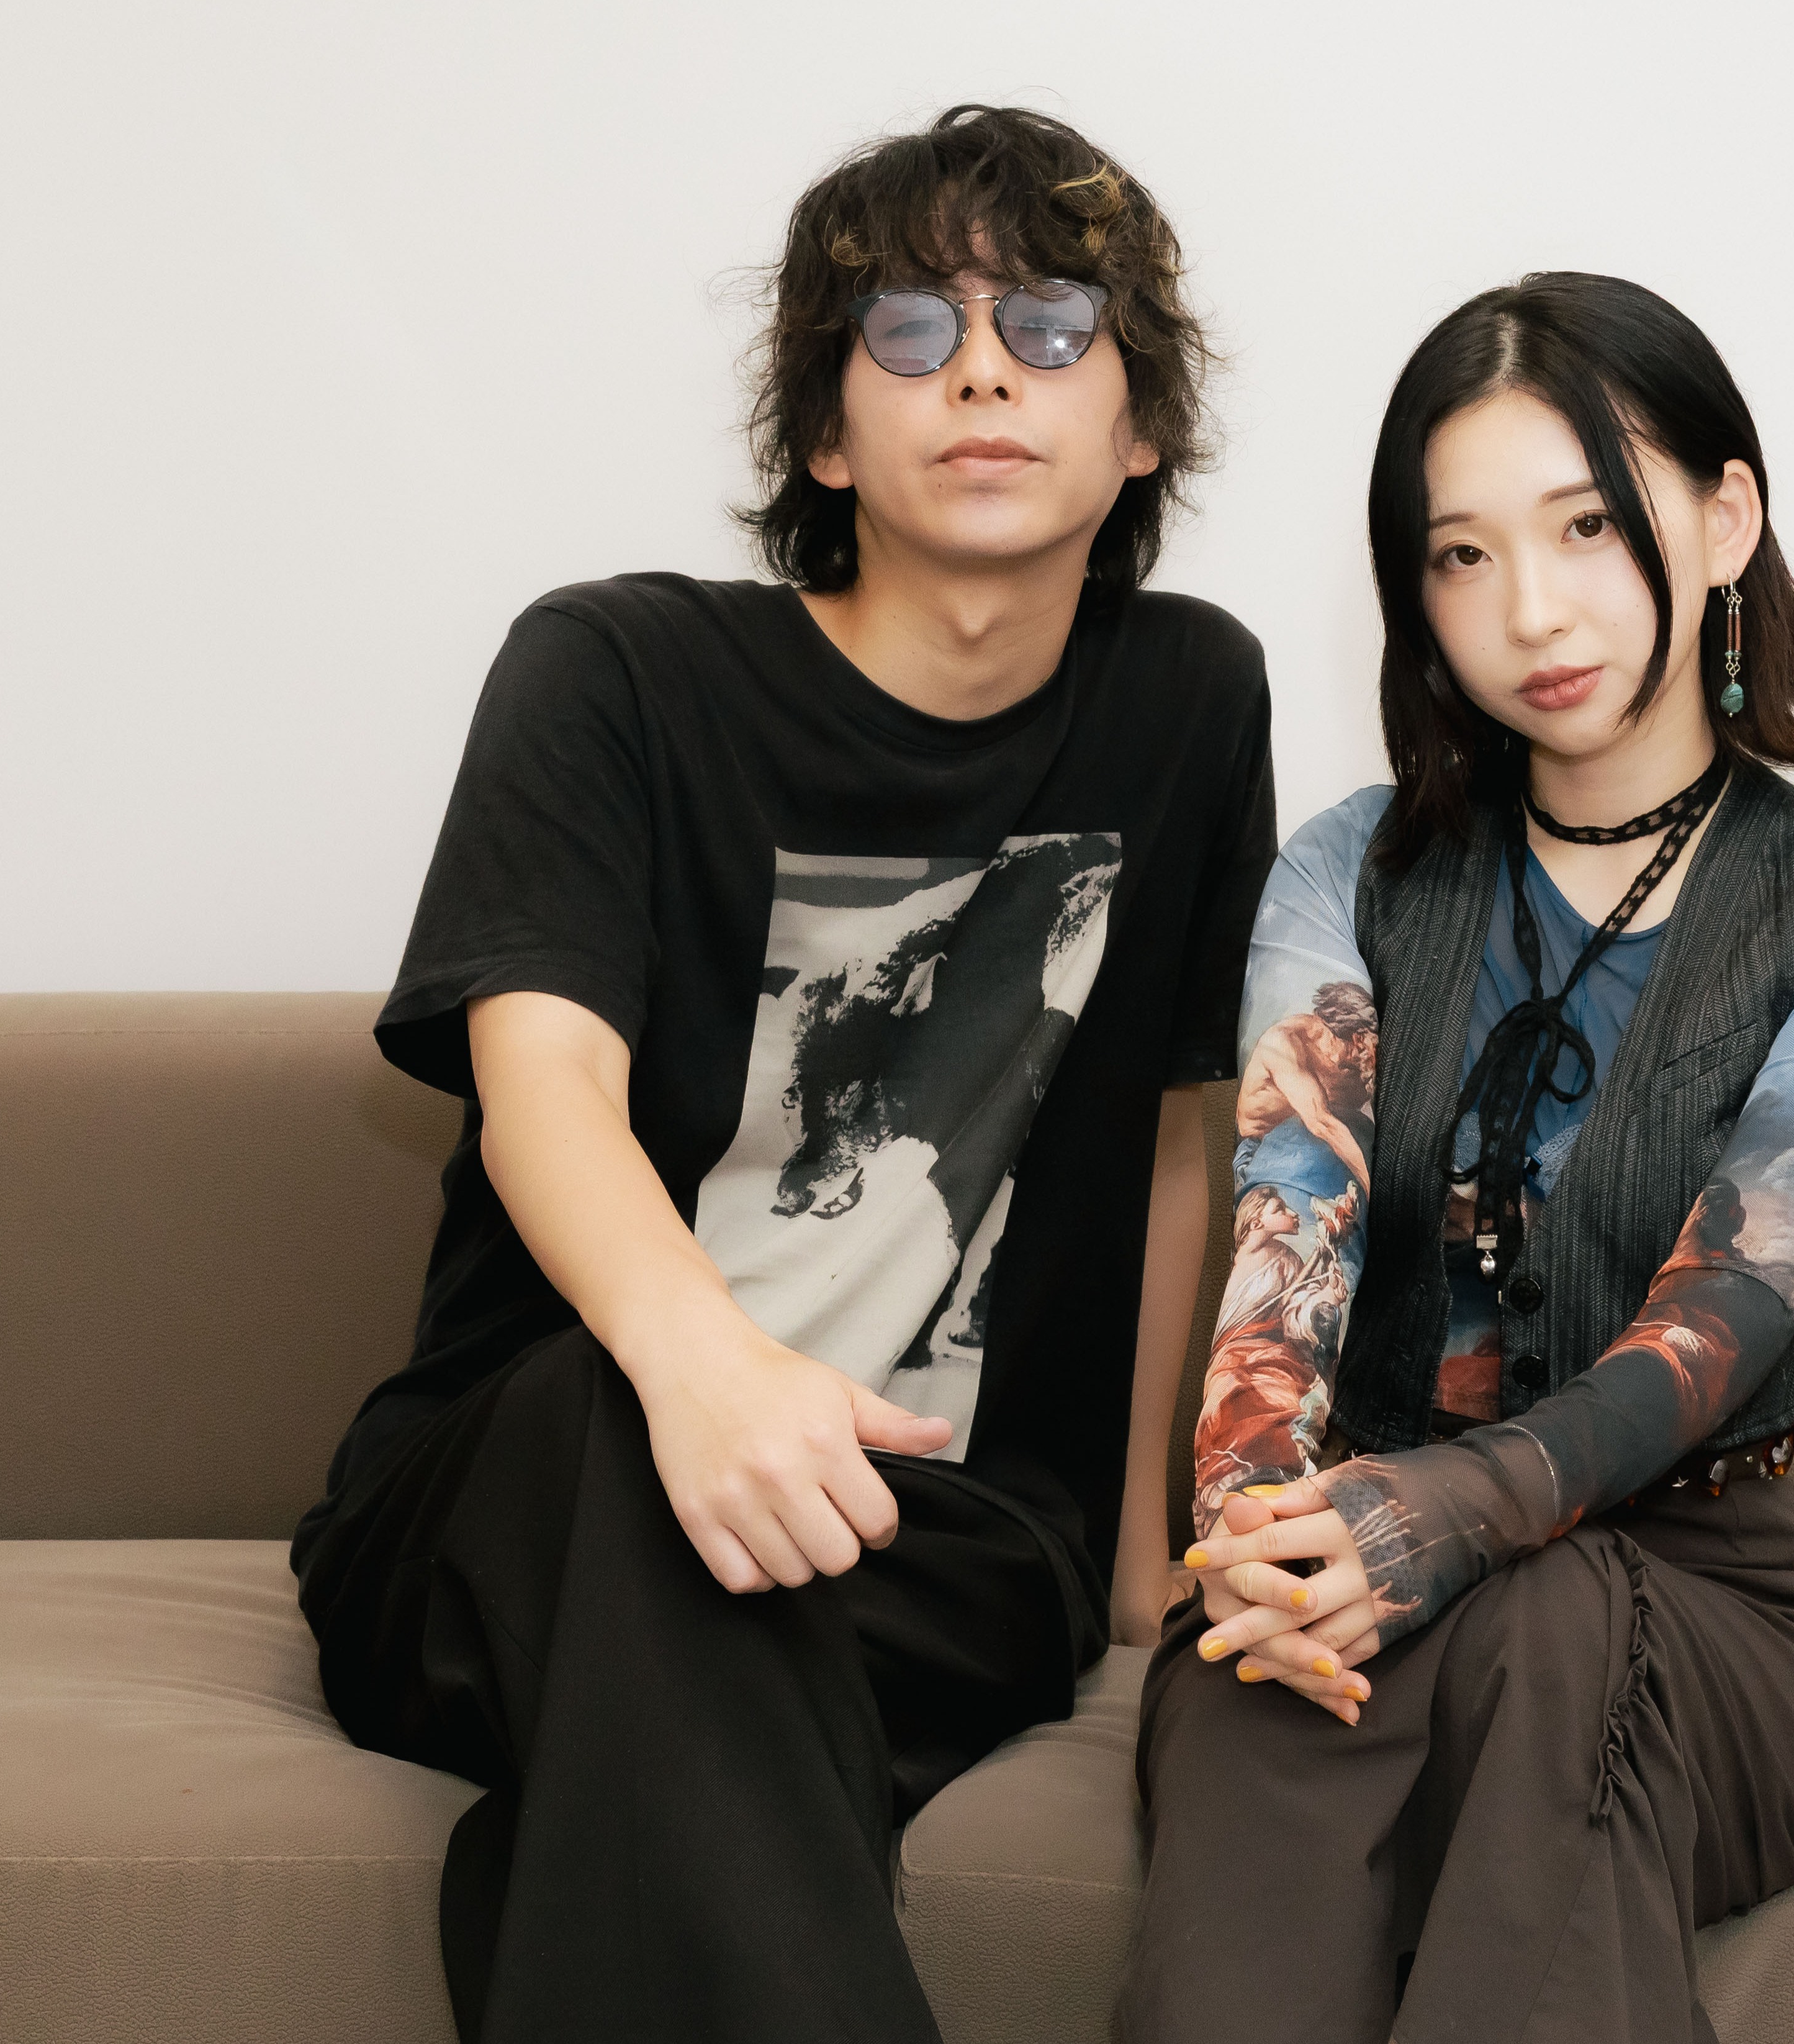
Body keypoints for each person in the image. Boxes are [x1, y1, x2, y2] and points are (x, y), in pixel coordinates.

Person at [291, 106, 1274, 2044]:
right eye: (908, 328)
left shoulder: (1188, 700)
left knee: (631, 1786)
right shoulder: (614, 675)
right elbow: (544, 1084)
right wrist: (706, 1373)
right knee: (625, 1454)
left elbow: (1182, 1131)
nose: (981, 370)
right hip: (525, 1493)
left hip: (938, 1538)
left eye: (1050, 326)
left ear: (1143, 427)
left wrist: (1142, 1559)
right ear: (825, 434)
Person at [1122, 272, 1794, 2044]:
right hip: (1352, 1558)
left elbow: (1723, 1317)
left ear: (1725, 520)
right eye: (1462, 553)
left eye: (1589, 524)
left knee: (1555, 1619)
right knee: (1269, 1688)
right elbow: (1288, 1232)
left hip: (1711, 1606)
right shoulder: (1346, 871)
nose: (1531, 608)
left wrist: (1452, 1512)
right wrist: (1260, 1532)